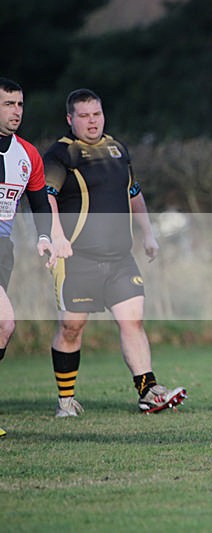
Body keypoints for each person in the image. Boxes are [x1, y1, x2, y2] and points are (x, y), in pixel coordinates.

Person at [43, 88, 186, 417]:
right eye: (84, 115)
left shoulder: (117, 149)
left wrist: (148, 234)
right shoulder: (61, 155)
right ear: (70, 119)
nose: (92, 121)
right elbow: (46, 196)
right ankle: (66, 400)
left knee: (132, 321)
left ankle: (148, 391)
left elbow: (134, 193)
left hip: (120, 258)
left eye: (97, 114)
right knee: (71, 327)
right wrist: (56, 236)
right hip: (76, 258)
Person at [0, 78, 58, 437]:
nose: (16, 111)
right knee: (5, 322)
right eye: (8, 104)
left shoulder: (28, 155)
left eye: (20, 104)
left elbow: (39, 203)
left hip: (5, 250)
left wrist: (43, 237)